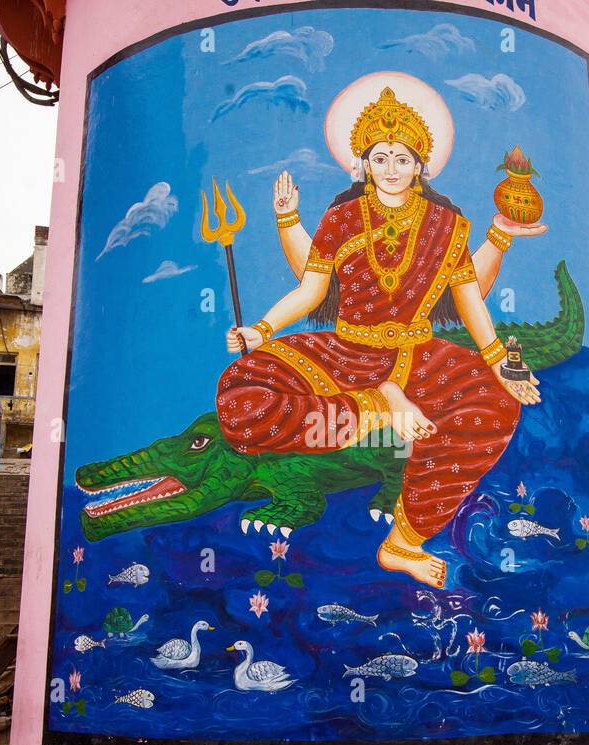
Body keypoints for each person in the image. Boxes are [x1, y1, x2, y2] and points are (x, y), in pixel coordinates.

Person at [218, 88, 545, 588]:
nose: (390, 167)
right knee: (239, 401)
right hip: (345, 351)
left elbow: (468, 300)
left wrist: (500, 361)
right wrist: (259, 331)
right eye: (379, 157)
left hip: (418, 355)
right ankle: (373, 406)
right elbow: (311, 289)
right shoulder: (342, 218)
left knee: (497, 406)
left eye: (401, 158)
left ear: (420, 166)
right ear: (365, 164)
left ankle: (404, 542)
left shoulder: (447, 226)